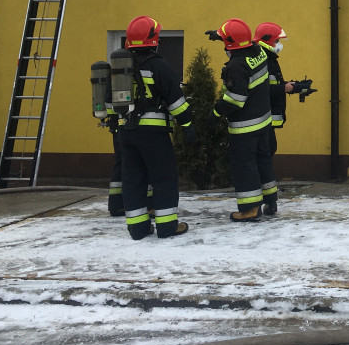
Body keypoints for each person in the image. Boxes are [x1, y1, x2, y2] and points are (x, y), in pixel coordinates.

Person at [118, 16, 193, 239]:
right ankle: (167, 226)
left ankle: (138, 228)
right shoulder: (158, 65)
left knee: (133, 180)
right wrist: (187, 124)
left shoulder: (121, 67)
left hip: (127, 132)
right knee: (164, 178)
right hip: (154, 134)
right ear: (153, 40)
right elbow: (176, 101)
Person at [206, 18, 274, 223]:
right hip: (263, 122)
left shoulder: (235, 67)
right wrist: (221, 37)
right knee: (263, 161)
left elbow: (236, 100)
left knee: (245, 166)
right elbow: (242, 43)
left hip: (245, 128)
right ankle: (270, 201)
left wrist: (215, 113)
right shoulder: (258, 52)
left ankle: (250, 209)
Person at [254, 22, 287, 215]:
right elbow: (263, 89)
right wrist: (285, 88)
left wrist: (292, 86)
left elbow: (273, 84)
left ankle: (269, 201)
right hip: (263, 120)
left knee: (267, 157)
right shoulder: (263, 59)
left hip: (267, 121)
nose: (278, 44)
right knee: (264, 159)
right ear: (267, 41)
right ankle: (264, 201)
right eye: (276, 41)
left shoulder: (269, 58)